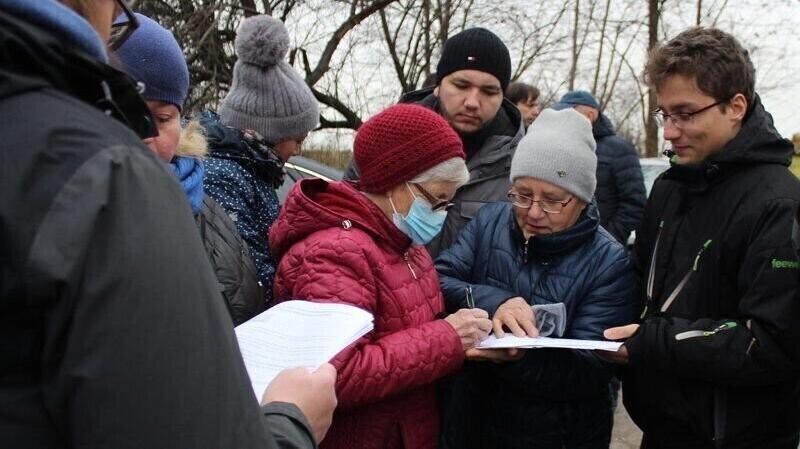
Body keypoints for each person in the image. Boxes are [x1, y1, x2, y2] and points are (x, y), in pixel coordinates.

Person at [0, 0, 335, 447]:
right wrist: (290, 423)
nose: (149, 136)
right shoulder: (107, 179)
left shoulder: (188, 199)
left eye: (165, 116)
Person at [603, 27, 800, 448]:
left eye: (685, 114)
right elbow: (636, 285)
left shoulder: (779, 202)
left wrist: (650, 342)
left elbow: (771, 342)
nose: (670, 132)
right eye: (664, 114)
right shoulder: (670, 188)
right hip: (661, 431)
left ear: (736, 106)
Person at [269, 104, 494, 449]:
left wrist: (464, 336)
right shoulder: (334, 252)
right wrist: (448, 338)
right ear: (395, 183)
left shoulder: (404, 243)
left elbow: (408, 328)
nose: (441, 215)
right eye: (437, 201)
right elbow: (335, 374)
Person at [436, 108, 637, 448]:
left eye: (553, 200)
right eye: (523, 194)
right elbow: (439, 280)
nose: (533, 212)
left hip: (556, 435)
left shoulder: (609, 261)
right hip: (470, 421)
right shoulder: (490, 222)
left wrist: (519, 358)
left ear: (583, 199)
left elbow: (591, 370)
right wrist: (495, 301)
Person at [115, 12, 264, 325]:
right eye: (126, 113)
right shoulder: (72, 214)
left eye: (163, 118)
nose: (147, 134)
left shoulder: (208, 209)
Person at [345, 27, 525, 258]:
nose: (472, 101)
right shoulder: (386, 142)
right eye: (461, 86)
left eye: (488, 91)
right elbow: (344, 218)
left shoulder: (519, 167)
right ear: (439, 85)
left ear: (502, 96)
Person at [200, 14, 320, 307]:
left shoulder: (252, 170)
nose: (298, 151)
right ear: (269, 133)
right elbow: (245, 277)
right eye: (298, 140)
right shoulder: (224, 177)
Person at [552, 90, 646, 245]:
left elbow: (634, 203)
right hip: (564, 243)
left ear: (590, 115)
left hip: (601, 247)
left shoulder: (620, 149)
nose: (564, 118)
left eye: (569, 113)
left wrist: (606, 241)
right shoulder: (564, 147)